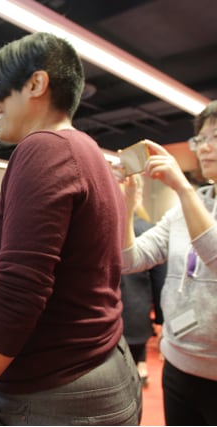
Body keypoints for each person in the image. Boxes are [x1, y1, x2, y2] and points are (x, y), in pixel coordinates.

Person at [0, 32, 142, 426]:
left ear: (36, 84)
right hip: (96, 368)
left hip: (56, 391)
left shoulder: (45, 148)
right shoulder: (87, 151)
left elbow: (19, 289)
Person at [117, 100, 217, 425]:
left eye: (215, 137)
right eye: (200, 139)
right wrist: (129, 206)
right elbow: (128, 259)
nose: (205, 147)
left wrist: (183, 188)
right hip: (178, 361)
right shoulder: (183, 209)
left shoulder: (187, 199)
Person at [118, 174, 165, 386]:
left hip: (104, 318)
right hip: (136, 316)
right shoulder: (149, 228)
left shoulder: (100, 225)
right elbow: (159, 280)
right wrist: (160, 320)